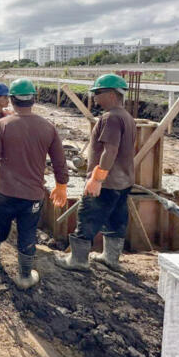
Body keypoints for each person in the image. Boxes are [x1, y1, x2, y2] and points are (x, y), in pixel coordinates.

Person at [0, 78, 68, 289]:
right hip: (32, 196)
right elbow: (59, 161)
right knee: (28, 233)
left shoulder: (3, 125)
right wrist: (61, 186)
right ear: (33, 99)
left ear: (12, 100)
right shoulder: (48, 127)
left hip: (4, 192)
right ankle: (25, 276)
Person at [55, 74, 136, 272]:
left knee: (88, 217)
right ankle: (110, 258)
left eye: (98, 93)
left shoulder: (111, 118)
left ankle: (78, 260)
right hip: (123, 182)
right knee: (116, 219)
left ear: (112, 94)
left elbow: (110, 150)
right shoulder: (126, 117)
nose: (95, 98)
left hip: (106, 183)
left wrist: (97, 178)